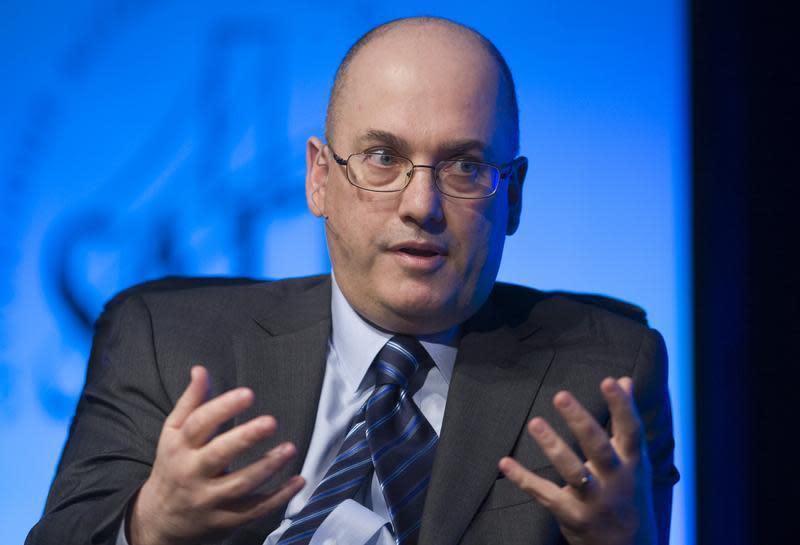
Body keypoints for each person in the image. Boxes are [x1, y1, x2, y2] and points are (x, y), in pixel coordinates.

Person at [26, 16, 678, 545]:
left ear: (513, 196)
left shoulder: (605, 370)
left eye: (466, 166)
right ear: (319, 177)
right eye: (383, 157)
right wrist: (147, 527)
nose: (421, 204)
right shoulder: (166, 341)